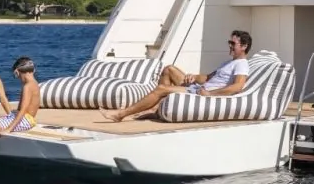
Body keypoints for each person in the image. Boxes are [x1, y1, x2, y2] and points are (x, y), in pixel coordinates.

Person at [102, 30, 252, 123]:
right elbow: (207, 78)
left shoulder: (241, 64)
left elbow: (237, 87)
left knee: (161, 89)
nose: (229, 45)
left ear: (244, 46)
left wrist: (210, 94)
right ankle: (155, 110)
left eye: (233, 43)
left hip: (200, 93)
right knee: (169, 69)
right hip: (198, 86)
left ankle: (120, 114)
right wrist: (193, 77)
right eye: (229, 42)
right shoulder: (229, 62)